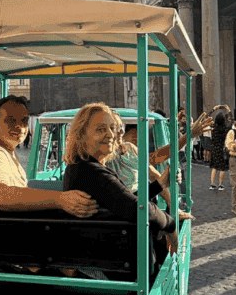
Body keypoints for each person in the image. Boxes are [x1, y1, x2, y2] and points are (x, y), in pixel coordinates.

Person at [62, 103, 179, 260]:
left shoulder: (83, 166)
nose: (111, 134)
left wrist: (160, 185)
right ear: (81, 135)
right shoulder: (91, 172)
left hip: (104, 252)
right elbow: (137, 208)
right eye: (101, 129)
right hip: (110, 261)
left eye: (112, 128)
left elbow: (122, 199)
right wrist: (170, 224)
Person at [0, 95, 97, 218]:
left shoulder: (3, 148)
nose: (20, 127)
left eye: (24, 120)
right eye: (11, 120)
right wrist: (60, 199)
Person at [209, 106, 231, 192]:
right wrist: (228, 110)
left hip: (214, 148)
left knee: (214, 167)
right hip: (222, 148)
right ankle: (221, 185)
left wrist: (213, 109)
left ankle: (212, 184)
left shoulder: (213, 127)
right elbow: (231, 120)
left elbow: (207, 117)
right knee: (222, 168)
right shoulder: (226, 127)